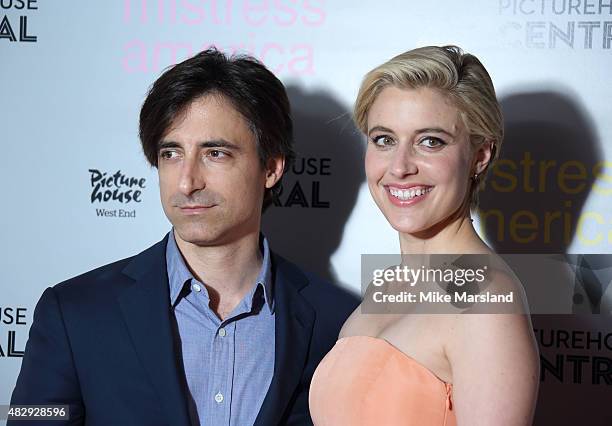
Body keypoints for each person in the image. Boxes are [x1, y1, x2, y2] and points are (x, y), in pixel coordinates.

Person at [10, 49, 358, 426]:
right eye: (171, 153)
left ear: (271, 168)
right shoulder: (73, 313)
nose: (188, 182)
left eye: (215, 153)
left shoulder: (339, 323)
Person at [309, 46, 539, 425]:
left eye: (430, 141)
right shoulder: (391, 284)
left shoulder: (485, 302)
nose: (399, 167)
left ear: (480, 155)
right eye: (384, 139)